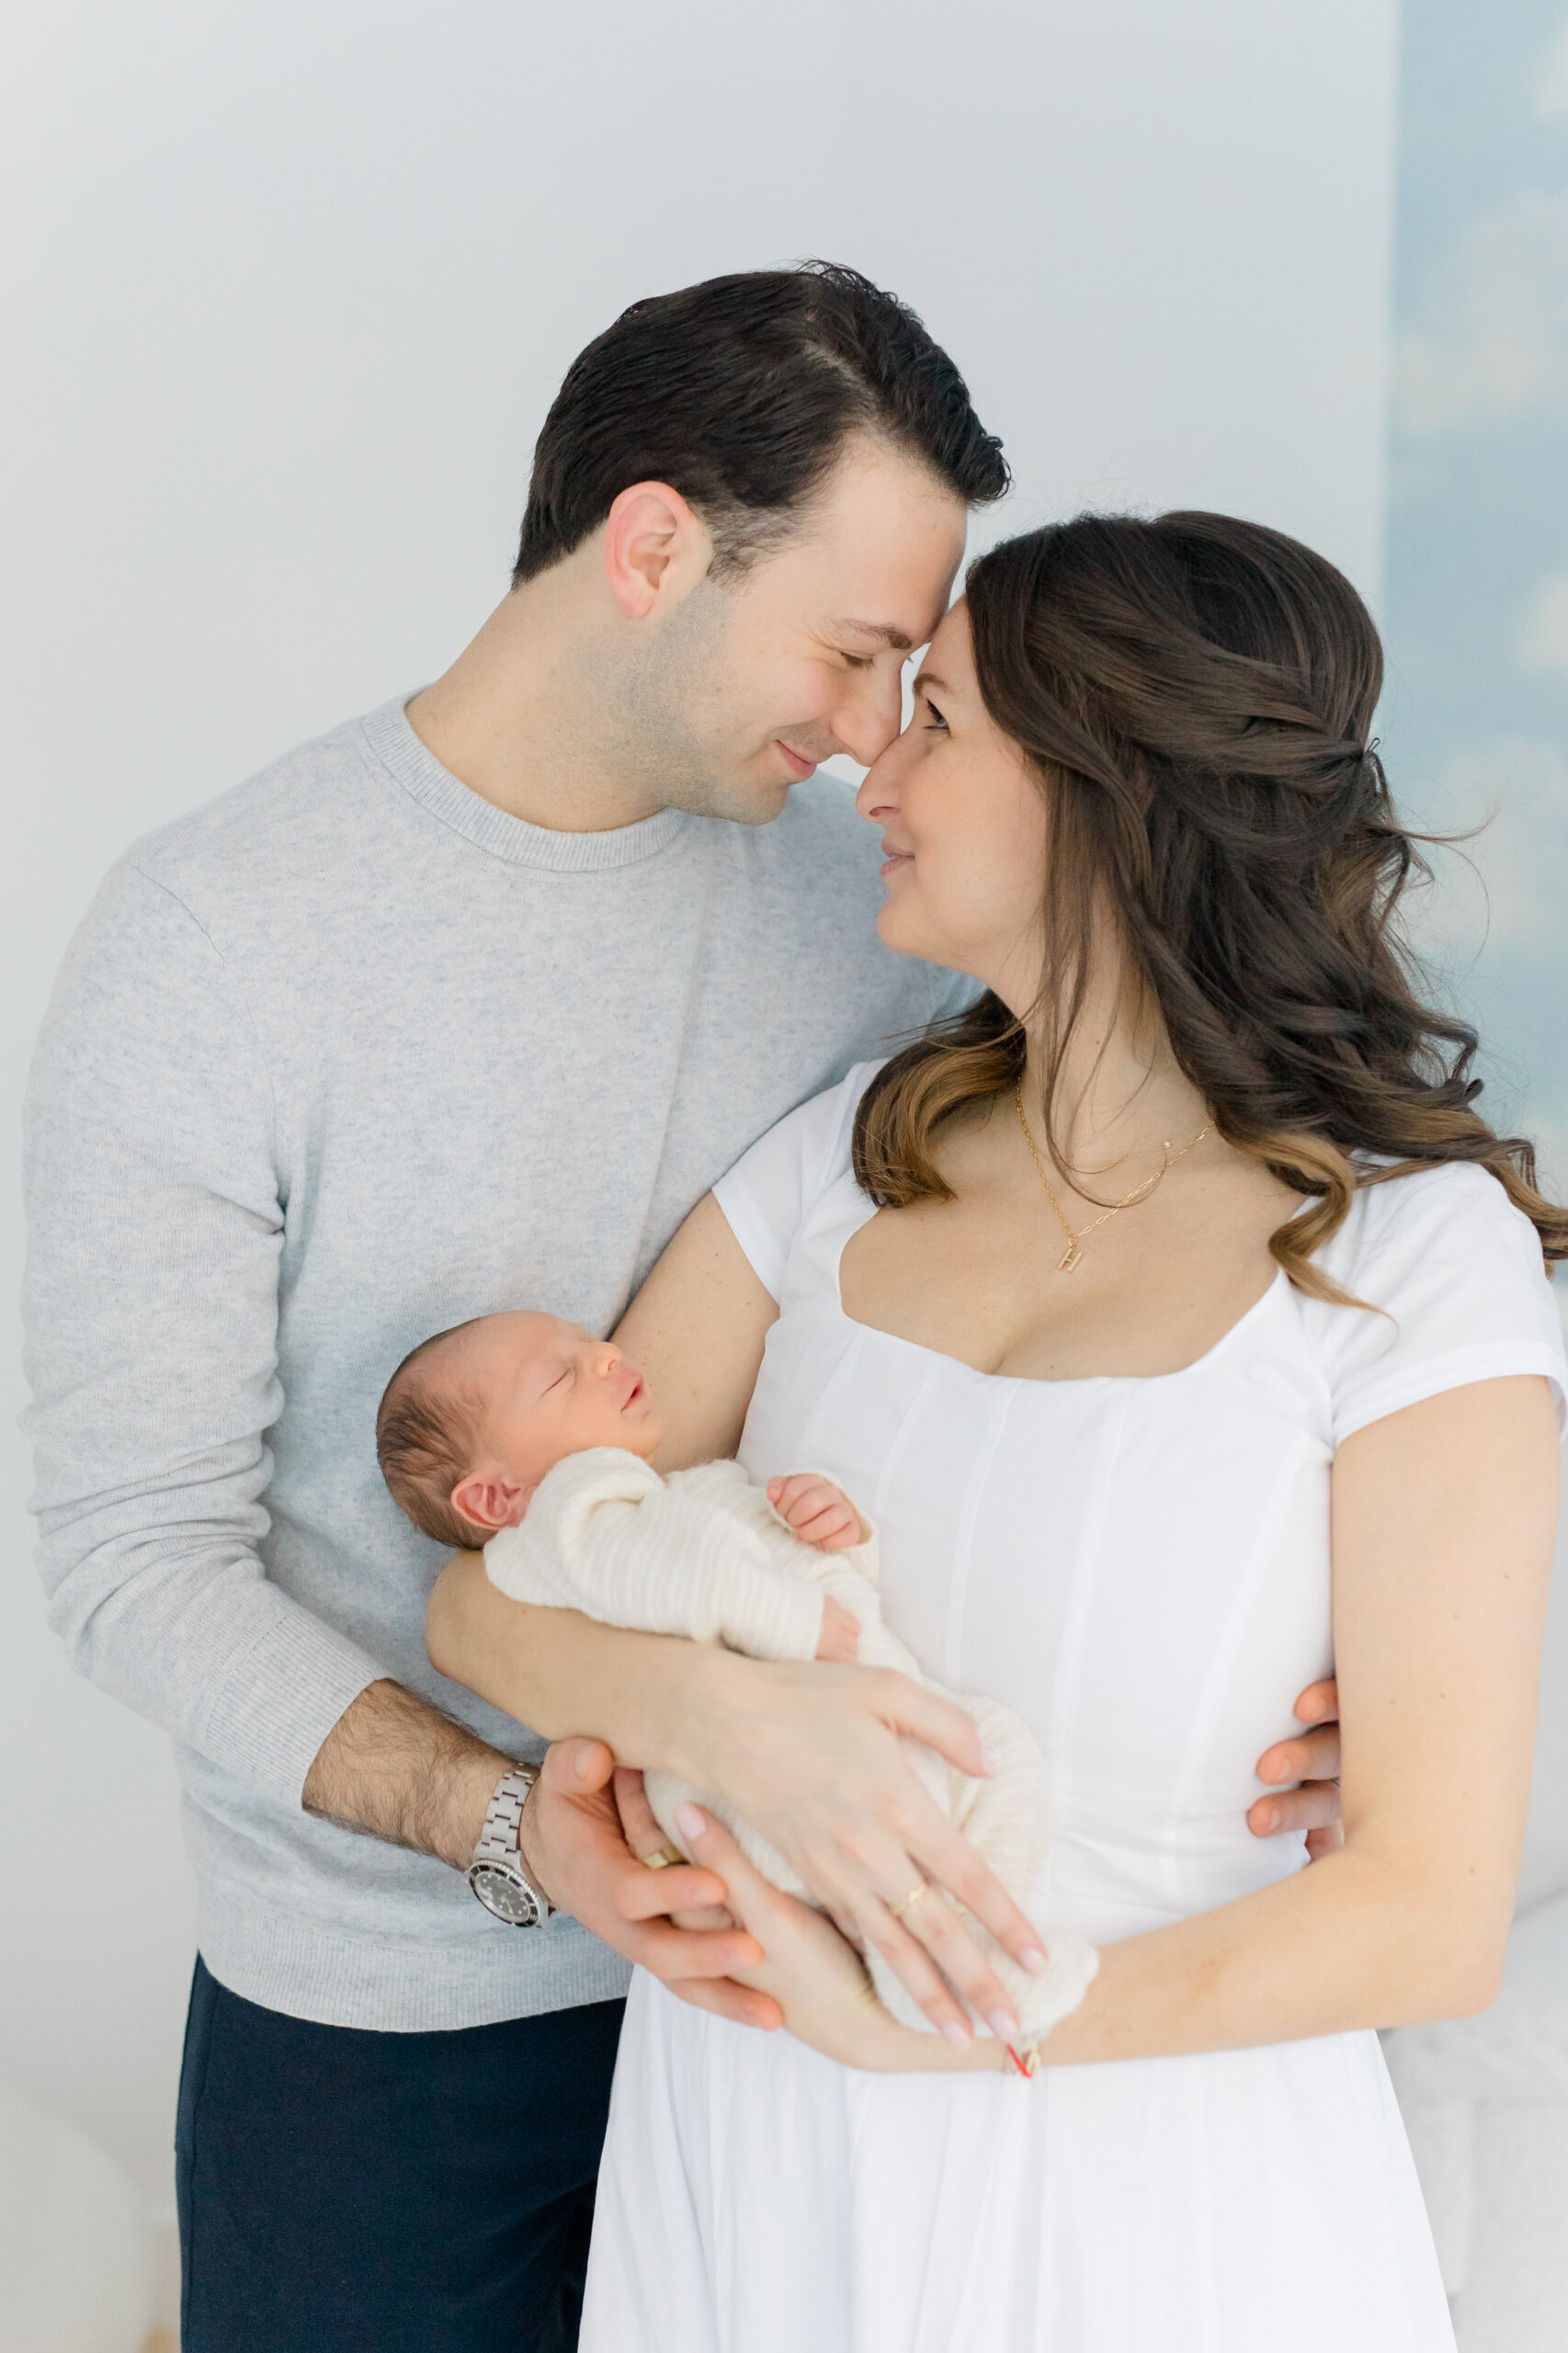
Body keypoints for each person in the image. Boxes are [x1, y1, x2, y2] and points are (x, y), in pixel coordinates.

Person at [427, 512, 1567, 2352]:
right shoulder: (839, 1160)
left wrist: (955, 2018)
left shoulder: (1408, 1258)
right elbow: (493, 1597)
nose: (872, 755)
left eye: (936, 714)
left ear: (1108, 784)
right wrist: (720, 1714)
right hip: (754, 2134)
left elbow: (1428, 1912)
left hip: (1147, 2174)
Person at [374, 1307, 1099, 2043]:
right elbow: (663, 1578)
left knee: (993, 1746)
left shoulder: (653, 1498)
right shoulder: (568, 1511)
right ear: (496, 1497)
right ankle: (941, 1969)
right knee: (964, 1776)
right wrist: (788, 1613)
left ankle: (982, 1941)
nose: (604, 1357)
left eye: (591, 1342)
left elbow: (789, 1587)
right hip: (754, 1790)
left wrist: (826, 1534)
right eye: (561, 1374)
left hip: (831, 1735)